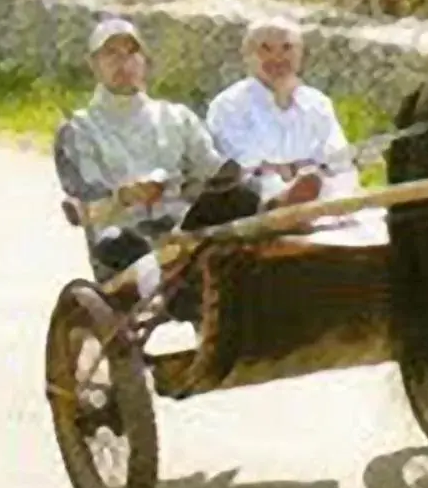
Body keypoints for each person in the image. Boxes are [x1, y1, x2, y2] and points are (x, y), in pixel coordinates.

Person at [54, 16, 266, 289]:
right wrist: (127, 194)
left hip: (184, 230)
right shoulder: (78, 129)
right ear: (94, 65)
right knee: (116, 241)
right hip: (127, 234)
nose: (124, 63)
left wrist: (253, 173)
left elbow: (214, 170)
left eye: (132, 54)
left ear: (145, 62)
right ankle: (169, 282)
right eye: (111, 54)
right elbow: (88, 201)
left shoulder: (176, 117)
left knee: (245, 195)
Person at [204, 16, 359, 205]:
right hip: (256, 205)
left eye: (287, 48)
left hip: (321, 201)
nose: (277, 58)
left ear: (301, 53)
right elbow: (249, 169)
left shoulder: (318, 104)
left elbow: (338, 161)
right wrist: (300, 172)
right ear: (247, 55)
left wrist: (303, 173)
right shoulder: (229, 105)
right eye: (265, 49)